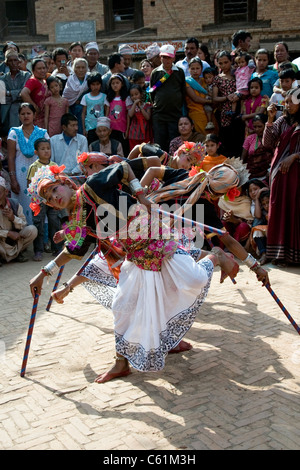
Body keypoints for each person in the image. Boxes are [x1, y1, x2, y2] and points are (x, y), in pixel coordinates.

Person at [28, 161, 240, 384]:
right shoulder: (77, 221)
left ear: (65, 183)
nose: (54, 197)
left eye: (54, 189)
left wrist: (141, 196)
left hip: (158, 239)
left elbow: (124, 167)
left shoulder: (93, 185)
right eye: (49, 198)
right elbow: (72, 251)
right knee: (123, 306)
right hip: (136, 256)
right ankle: (122, 363)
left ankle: (216, 255)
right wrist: (43, 274)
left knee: (193, 279)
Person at [262, 89, 300, 265]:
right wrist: (269, 120)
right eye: (286, 101)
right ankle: (279, 254)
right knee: (279, 209)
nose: (287, 105)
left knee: (295, 210)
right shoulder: (282, 121)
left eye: (292, 101)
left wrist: (295, 156)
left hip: (296, 175)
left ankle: (295, 256)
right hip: (279, 174)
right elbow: (267, 143)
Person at [7, 103, 49, 224]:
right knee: (22, 206)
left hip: (39, 176)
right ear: (19, 116)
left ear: (34, 115)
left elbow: (48, 155)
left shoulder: (42, 133)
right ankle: (24, 236)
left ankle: (41, 240)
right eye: (23, 114)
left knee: (39, 205)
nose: (26, 116)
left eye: (28, 113)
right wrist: (13, 179)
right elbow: (10, 157)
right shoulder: (14, 133)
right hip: (20, 177)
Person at [27, 138, 63, 260]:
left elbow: (59, 182)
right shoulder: (34, 167)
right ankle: (38, 250)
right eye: (42, 149)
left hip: (53, 200)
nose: (46, 151)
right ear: (36, 152)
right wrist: (36, 198)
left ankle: (57, 248)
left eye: (48, 148)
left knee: (55, 223)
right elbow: (29, 183)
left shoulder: (54, 166)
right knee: (39, 224)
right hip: (38, 201)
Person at [149, 44, 186, 152]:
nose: (166, 60)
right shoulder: (155, 73)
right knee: (159, 144)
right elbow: (152, 91)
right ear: (160, 58)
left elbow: (182, 90)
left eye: (169, 57)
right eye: (164, 57)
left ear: (174, 58)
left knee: (174, 143)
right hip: (159, 114)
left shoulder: (179, 72)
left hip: (175, 114)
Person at [0, 176, 37, 265]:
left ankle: (16, 254)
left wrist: (13, 218)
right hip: (1, 243)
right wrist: (8, 233)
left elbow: (24, 224)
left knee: (32, 230)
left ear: (6, 192)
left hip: (14, 241)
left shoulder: (14, 204)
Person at [212, 51, 239, 156]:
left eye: (226, 62)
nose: (223, 65)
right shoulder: (217, 79)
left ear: (231, 61)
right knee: (226, 139)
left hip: (238, 110)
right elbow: (215, 98)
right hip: (224, 114)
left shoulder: (237, 75)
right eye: (221, 63)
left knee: (238, 138)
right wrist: (227, 97)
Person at [0, 50, 31, 136]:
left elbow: (24, 93)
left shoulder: (26, 75)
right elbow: (2, 97)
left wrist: (9, 93)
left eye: (15, 60)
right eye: (10, 61)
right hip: (6, 112)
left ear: (18, 62)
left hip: (23, 109)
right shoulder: (2, 79)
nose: (13, 63)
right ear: (6, 63)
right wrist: (17, 94)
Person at [185, 57, 214, 135]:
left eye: (197, 68)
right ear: (189, 69)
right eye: (192, 68)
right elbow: (195, 98)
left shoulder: (205, 80)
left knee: (213, 138)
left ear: (201, 69)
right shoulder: (187, 82)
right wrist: (211, 101)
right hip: (196, 114)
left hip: (209, 114)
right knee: (202, 139)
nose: (195, 71)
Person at [62, 58, 89, 135]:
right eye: (78, 67)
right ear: (74, 68)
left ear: (86, 69)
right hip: (68, 107)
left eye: (83, 67)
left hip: (82, 109)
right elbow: (66, 94)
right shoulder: (70, 79)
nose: (80, 70)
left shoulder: (89, 79)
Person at [105, 73, 130, 156]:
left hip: (122, 128)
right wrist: (107, 128)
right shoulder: (109, 98)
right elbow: (107, 114)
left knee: (123, 149)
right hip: (111, 129)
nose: (115, 85)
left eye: (117, 83)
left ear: (122, 84)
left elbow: (128, 115)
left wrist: (127, 130)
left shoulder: (126, 98)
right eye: (113, 83)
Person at [241, 114, 272, 181]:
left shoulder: (272, 139)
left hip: (267, 175)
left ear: (266, 126)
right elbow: (243, 159)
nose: (257, 129)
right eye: (255, 127)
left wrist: (270, 171)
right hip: (251, 175)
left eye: (260, 126)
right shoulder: (249, 139)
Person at [21, 58, 50, 128]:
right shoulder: (33, 81)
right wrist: (34, 107)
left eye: (44, 68)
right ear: (33, 71)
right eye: (39, 68)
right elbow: (23, 93)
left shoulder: (44, 80)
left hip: (45, 117)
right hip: (36, 118)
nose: (42, 70)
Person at [80, 72, 107, 145]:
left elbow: (106, 111)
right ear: (89, 85)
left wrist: (106, 124)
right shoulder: (85, 97)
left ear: (101, 84)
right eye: (93, 84)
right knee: (92, 145)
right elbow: (83, 113)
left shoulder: (104, 96)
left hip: (101, 127)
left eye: (97, 84)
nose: (95, 87)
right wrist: (84, 128)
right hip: (90, 127)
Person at [126, 84, 152, 150]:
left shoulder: (147, 105)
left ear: (141, 94)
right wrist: (134, 104)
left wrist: (141, 107)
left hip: (145, 133)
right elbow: (130, 115)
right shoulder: (131, 106)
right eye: (132, 95)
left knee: (145, 152)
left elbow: (147, 117)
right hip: (134, 134)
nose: (134, 97)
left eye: (136, 94)